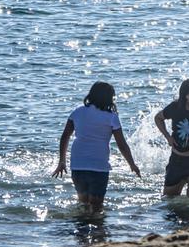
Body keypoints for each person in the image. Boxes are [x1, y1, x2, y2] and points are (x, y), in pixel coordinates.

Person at [52, 81, 141, 212]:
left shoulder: (77, 112)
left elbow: (65, 136)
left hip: (78, 165)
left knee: (83, 203)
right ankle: (97, 230)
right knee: (97, 207)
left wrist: (62, 161)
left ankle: (81, 230)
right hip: (99, 166)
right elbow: (122, 145)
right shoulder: (111, 117)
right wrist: (132, 164)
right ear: (109, 98)